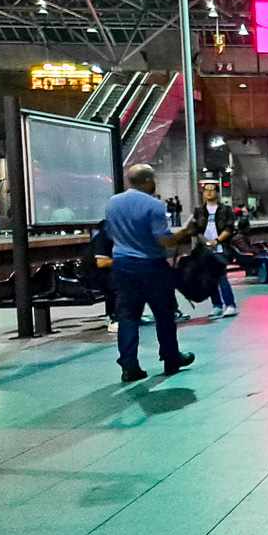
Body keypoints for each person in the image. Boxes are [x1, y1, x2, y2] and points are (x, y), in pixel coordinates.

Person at [105, 164, 197, 382]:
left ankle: (129, 366)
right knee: (163, 314)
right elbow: (163, 240)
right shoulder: (154, 205)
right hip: (151, 266)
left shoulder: (112, 203)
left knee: (127, 317)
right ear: (147, 181)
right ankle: (170, 358)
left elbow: (110, 233)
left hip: (122, 265)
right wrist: (185, 231)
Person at [193, 182, 239, 318]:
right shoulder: (199, 211)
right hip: (205, 249)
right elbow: (197, 230)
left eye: (212, 190)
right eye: (206, 190)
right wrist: (206, 243)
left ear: (217, 193)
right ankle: (217, 305)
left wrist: (217, 241)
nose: (208, 193)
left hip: (221, 248)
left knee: (221, 275)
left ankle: (230, 305)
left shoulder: (226, 210)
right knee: (210, 277)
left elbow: (229, 228)